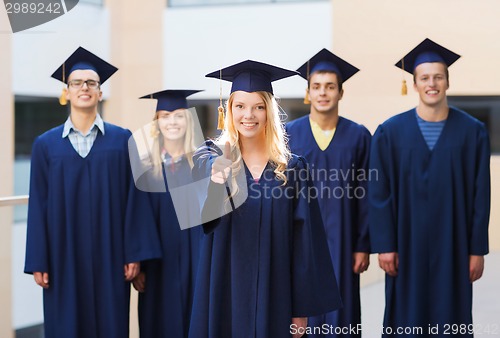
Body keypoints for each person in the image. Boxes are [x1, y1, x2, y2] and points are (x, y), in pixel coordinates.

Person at [188, 60, 342, 338]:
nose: (249, 115)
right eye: (240, 106)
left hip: (277, 294)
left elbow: (304, 244)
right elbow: (199, 203)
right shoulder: (213, 157)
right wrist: (215, 174)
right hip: (225, 291)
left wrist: (301, 309)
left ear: (269, 111)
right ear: (229, 111)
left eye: (258, 106)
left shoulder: (292, 169)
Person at [24, 46, 161, 338]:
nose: (84, 88)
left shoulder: (122, 140)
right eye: (77, 83)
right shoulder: (45, 146)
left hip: (110, 255)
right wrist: (39, 259)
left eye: (91, 83)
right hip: (63, 257)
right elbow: (38, 204)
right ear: (67, 93)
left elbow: (134, 200)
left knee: (110, 324)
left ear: (100, 93)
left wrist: (134, 253)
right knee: (66, 326)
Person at [369, 38, 490, 337]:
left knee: (450, 316)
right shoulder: (389, 133)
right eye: (425, 78)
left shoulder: (473, 132)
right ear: (414, 84)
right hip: (405, 244)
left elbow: (481, 194)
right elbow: (378, 193)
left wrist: (477, 250)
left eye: (438, 77)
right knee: (406, 318)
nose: (432, 83)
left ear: (448, 81)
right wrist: (385, 245)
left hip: (455, 243)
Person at [286, 48, 371, 337]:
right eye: (317, 87)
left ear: (341, 93)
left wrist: (362, 244)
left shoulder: (358, 135)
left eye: (330, 87)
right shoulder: (289, 135)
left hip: (344, 243)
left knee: (342, 317)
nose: (323, 93)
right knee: (301, 313)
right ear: (308, 92)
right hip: (299, 241)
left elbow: (366, 194)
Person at [130, 89, 203, 338]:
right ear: (157, 123)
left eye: (179, 115)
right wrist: (139, 264)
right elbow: (137, 218)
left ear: (189, 121)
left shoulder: (203, 164)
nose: (172, 121)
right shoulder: (145, 168)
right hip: (158, 265)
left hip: (197, 262)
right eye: (165, 115)